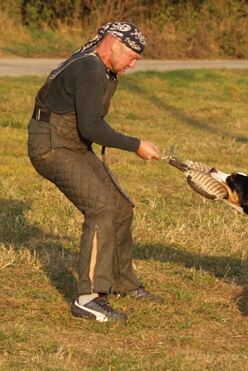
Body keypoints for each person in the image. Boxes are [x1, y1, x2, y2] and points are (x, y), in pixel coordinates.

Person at [28, 22, 162, 322]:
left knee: (121, 207)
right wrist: (136, 144)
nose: (133, 63)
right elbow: (91, 127)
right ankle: (88, 298)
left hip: (72, 143)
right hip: (51, 146)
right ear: (113, 44)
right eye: (132, 56)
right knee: (101, 209)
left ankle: (123, 283)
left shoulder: (100, 66)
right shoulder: (89, 69)